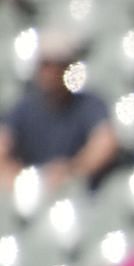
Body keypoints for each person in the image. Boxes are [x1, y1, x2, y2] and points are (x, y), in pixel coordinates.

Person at [0, 35, 117, 189]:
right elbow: (3, 144)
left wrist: (72, 170)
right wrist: (19, 176)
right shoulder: (23, 107)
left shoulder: (89, 105)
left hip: (77, 191)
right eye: (46, 65)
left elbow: (105, 143)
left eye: (59, 65)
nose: (51, 72)